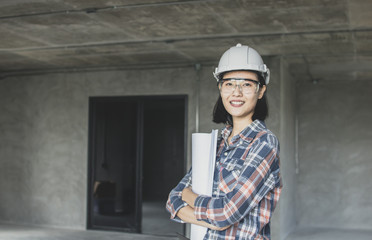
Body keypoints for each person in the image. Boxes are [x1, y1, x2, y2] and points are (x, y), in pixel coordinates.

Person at [166, 43, 282, 239]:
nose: (236, 92)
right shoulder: (216, 142)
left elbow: (227, 213)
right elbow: (172, 200)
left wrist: (190, 197)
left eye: (246, 84)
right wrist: (215, 220)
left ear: (260, 91)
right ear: (220, 88)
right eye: (229, 83)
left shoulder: (264, 143)